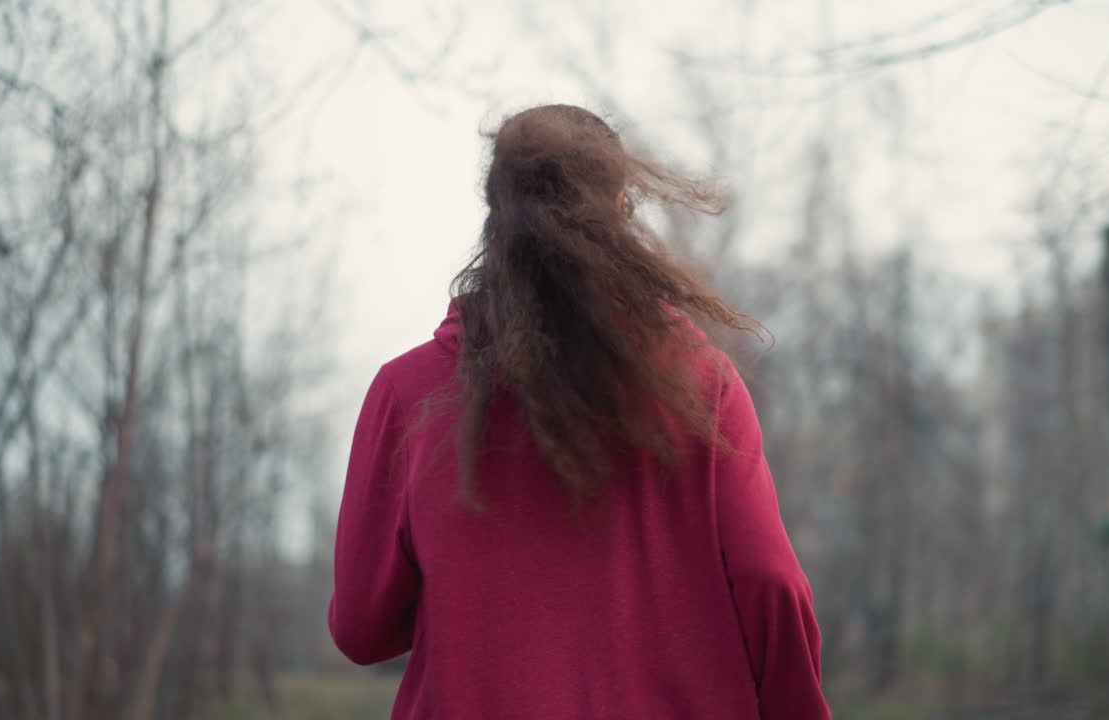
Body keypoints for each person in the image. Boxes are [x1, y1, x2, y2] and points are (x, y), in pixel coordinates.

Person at [329, 104, 831, 720]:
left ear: (495, 214)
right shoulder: (702, 387)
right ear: (622, 208)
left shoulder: (407, 392)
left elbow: (361, 630)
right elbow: (769, 582)